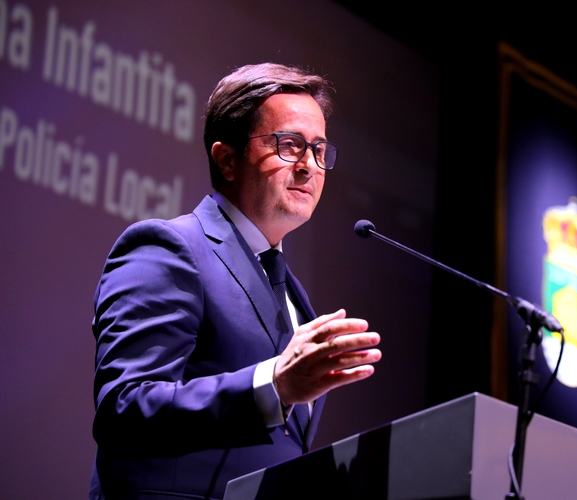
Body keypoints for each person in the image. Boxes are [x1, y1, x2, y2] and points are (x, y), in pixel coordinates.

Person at [89, 63, 382, 500]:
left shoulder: (295, 297)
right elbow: (125, 410)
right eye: (290, 145)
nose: (309, 166)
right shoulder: (169, 248)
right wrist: (273, 385)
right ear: (227, 158)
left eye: (319, 149)